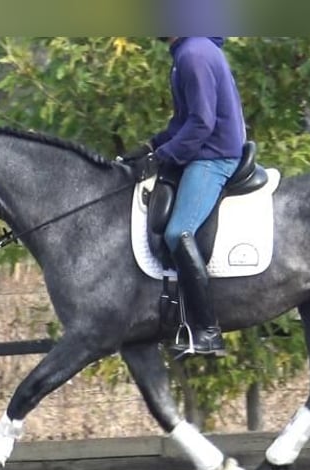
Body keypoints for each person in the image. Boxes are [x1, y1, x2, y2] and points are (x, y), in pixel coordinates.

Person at [123, 37, 246, 357]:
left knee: (179, 232)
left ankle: (207, 332)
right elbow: (182, 122)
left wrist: (167, 155)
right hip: (202, 150)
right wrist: (152, 146)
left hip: (214, 156)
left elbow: (202, 123)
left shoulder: (193, 54)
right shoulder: (189, 52)